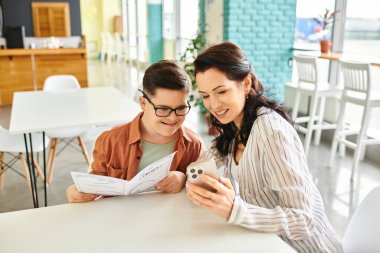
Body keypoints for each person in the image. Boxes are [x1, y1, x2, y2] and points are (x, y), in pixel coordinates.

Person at [185, 42, 343, 253]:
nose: (213, 105)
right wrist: (185, 176)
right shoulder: (235, 126)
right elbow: (203, 164)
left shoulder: (271, 132)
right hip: (267, 243)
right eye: (205, 95)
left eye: (221, 91)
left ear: (246, 83)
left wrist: (236, 209)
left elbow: (303, 221)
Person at [67, 60, 204, 203]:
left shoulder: (194, 145)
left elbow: (203, 188)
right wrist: (77, 192)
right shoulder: (110, 141)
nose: (173, 117)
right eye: (163, 109)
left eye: (181, 108)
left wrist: (183, 179)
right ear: (143, 103)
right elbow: (94, 186)